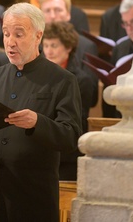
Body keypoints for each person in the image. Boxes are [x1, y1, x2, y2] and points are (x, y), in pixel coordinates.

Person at [0, 3, 82, 222]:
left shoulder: (62, 80)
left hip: (34, 195)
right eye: (7, 34)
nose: (10, 41)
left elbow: (71, 137)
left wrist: (37, 122)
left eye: (19, 34)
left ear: (38, 36)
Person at [42, 22, 93, 180]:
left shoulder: (81, 80)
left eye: (54, 46)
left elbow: (77, 121)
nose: (48, 51)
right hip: (40, 149)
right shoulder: (39, 75)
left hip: (67, 156)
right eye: (45, 45)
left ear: (68, 47)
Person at [40, 0, 98, 107]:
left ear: (68, 14)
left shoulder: (87, 46)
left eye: (58, 10)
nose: (52, 16)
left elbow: (91, 96)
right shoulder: (34, 43)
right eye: (47, 11)